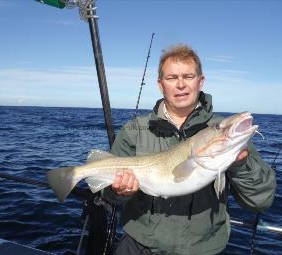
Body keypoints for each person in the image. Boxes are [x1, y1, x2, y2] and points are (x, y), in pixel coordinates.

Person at [101, 44, 276, 255]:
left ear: (201, 81)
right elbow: (108, 195)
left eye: (189, 76)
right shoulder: (134, 130)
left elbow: (260, 201)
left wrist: (240, 165)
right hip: (138, 246)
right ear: (160, 84)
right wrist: (118, 191)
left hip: (201, 249)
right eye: (172, 78)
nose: (181, 85)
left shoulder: (229, 137)